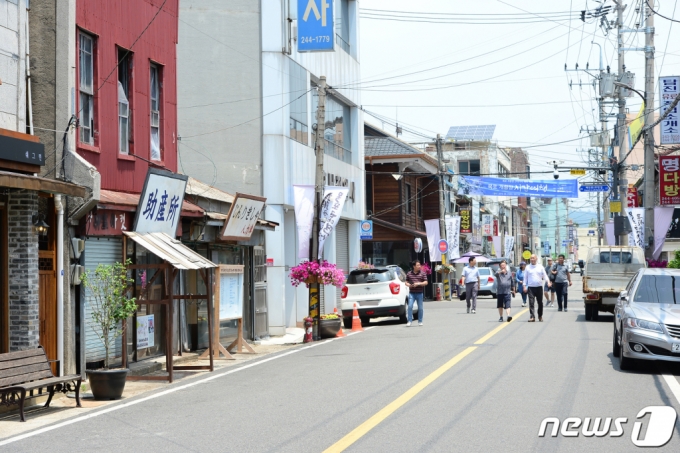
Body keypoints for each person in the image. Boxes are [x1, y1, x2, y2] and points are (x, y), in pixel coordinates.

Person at [523, 254, 551, 322]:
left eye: (533, 258)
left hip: (539, 287)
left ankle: (540, 316)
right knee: (531, 302)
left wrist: (548, 282)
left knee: (540, 303)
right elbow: (525, 278)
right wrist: (524, 286)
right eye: (531, 258)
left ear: (536, 259)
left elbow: (545, 276)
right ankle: (532, 316)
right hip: (531, 288)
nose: (532, 259)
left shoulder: (540, 267)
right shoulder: (527, 267)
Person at [405, 260, 428, 326]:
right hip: (412, 293)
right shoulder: (409, 273)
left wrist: (418, 284)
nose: (419, 266)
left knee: (420, 307)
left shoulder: (422, 273)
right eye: (417, 265)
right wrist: (409, 285)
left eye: (419, 265)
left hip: (419, 293)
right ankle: (409, 321)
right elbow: (406, 282)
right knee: (410, 306)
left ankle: (420, 321)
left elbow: (426, 282)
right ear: (414, 266)